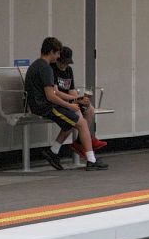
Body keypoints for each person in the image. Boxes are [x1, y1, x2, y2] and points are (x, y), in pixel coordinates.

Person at [24, 37, 109, 171]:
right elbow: (51, 95)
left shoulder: (38, 65)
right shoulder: (46, 69)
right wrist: (70, 105)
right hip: (45, 107)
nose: (58, 56)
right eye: (57, 53)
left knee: (73, 118)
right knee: (80, 122)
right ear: (51, 52)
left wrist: (75, 101)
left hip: (41, 104)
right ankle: (91, 159)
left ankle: (54, 151)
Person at [50, 46, 107, 158]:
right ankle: (87, 147)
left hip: (69, 101)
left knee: (89, 109)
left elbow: (71, 90)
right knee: (76, 117)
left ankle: (80, 141)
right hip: (59, 102)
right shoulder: (52, 70)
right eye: (62, 62)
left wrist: (80, 99)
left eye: (66, 63)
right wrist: (75, 100)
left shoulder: (68, 70)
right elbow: (55, 92)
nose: (64, 66)